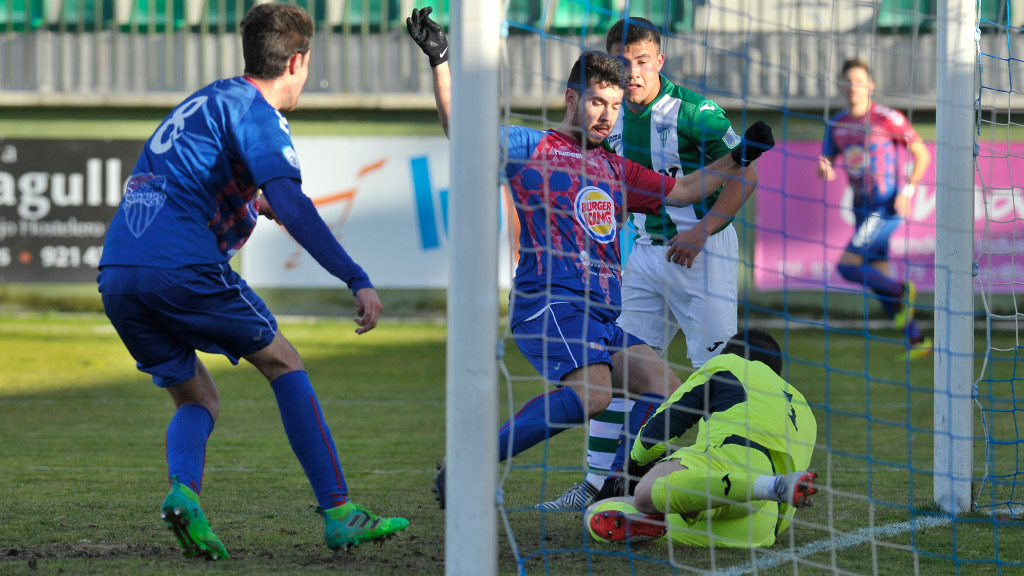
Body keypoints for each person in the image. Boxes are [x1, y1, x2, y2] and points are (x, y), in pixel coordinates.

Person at [406, 7, 774, 509]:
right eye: (598, 103)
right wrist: (441, 62)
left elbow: (687, 189)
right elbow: (462, 131)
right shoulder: (529, 145)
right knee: (595, 394)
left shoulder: (617, 167)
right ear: (572, 99)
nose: (606, 116)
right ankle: (470, 459)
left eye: (615, 107)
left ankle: (617, 489)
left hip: (600, 316)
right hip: (550, 303)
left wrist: (741, 156)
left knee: (667, 391)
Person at [97, 3, 407, 559]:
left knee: (197, 396)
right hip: (181, 265)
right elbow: (293, 202)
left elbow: (186, 176)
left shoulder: (206, 99)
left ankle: (183, 494)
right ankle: (340, 512)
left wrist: (246, 197)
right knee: (284, 361)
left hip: (119, 271)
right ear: (297, 61)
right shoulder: (257, 112)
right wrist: (355, 278)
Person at [540, 16, 759, 511]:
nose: (632, 72)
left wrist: (701, 232)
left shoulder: (696, 113)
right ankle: (598, 484)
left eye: (642, 61)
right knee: (616, 366)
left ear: (660, 61)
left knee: (714, 372)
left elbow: (749, 173)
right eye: (623, 62)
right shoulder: (609, 115)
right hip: (641, 255)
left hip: (703, 257)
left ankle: (723, 482)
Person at [586, 329, 818, 548]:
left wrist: (634, 466)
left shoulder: (729, 364)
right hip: (758, 528)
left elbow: (660, 427)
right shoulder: (804, 408)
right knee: (598, 514)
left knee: (645, 492)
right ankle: (767, 486)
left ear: (728, 353)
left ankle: (770, 485)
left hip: (734, 462)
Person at [818, 58, 932, 360]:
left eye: (859, 80)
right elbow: (826, 160)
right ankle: (917, 339)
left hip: (886, 204)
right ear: (841, 87)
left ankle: (901, 290)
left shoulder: (886, 118)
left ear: (870, 86)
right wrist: (824, 167)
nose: (853, 86)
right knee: (878, 280)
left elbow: (921, 154)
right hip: (860, 209)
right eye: (848, 81)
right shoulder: (837, 124)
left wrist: (907, 190)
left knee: (847, 266)